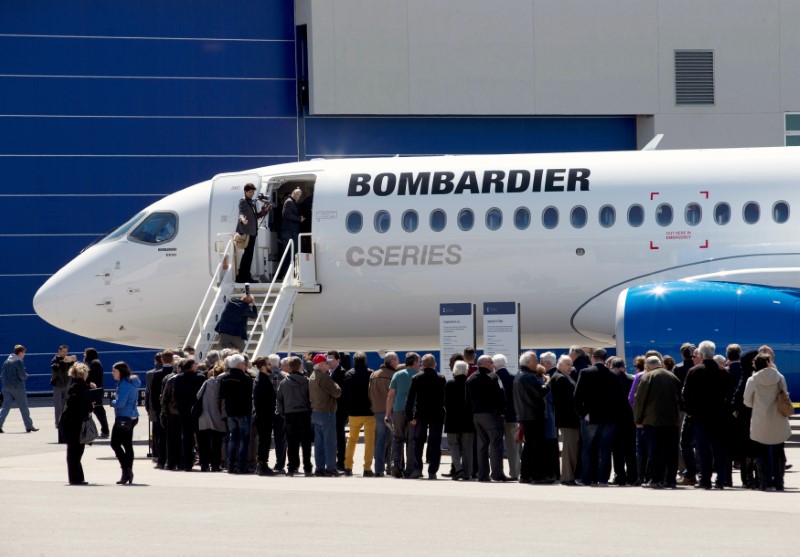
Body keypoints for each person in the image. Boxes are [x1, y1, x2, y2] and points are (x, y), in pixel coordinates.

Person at [681, 340, 732, 490]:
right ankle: (721, 480)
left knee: (703, 451)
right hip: (719, 418)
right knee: (719, 451)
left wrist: (690, 413)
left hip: (700, 418)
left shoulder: (694, 371)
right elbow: (730, 395)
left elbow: (686, 395)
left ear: (701, 354)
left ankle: (705, 480)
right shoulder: (723, 372)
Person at [573, 348, 622, 486]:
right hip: (608, 419)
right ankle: (603, 479)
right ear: (605, 359)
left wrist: (583, 413)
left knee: (588, 449)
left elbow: (577, 396)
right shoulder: (613, 375)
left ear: (593, 358)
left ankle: (588, 477)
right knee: (605, 450)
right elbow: (618, 399)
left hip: (590, 417)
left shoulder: (585, 372)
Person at [744, 353, 792, 491]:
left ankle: (763, 482)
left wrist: (758, 405)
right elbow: (785, 394)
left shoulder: (752, 380)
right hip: (778, 419)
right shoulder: (779, 377)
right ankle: (779, 482)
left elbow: (747, 401)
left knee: (760, 452)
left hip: (760, 420)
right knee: (779, 451)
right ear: (768, 363)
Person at [633, 355, 681, 489]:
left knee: (655, 451)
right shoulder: (672, 377)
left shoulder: (647, 377)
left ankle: (656, 479)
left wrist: (638, 419)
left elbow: (640, 400)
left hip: (653, 421)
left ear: (647, 366)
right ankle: (671, 480)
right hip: (672, 421)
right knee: (671, 452)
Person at [466, 354, 509, 482]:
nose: (493, 365)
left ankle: (482, 474)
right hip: (491, 415)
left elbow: (467, 400)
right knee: (496, 444)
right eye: (491, 362)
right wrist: (502, 411)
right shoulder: (493, 377)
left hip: (477, 416)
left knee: (482, 445)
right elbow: (501, 395)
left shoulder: (470, 379)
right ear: (484, 363)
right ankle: (497, 474)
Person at [405, 353, 446, 479]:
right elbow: (444, 399)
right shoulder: (441, 378)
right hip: (437, 415)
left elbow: (410, 399)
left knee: (418, 442)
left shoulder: (417, 378)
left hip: (421, 415)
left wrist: (410, 417)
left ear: (422, 365)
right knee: (435, 443)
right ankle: (432, 471)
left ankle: (418, 469)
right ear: (434, 364)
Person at [514, 351, 551, 483]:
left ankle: (526, 474)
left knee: (529, 447)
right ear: (528, 362)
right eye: (535, 361)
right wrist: (548, 383)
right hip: (533, 416)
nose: (537, 364)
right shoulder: (528, 377)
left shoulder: (519, 375)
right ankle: (536, 475)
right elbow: (540, 392)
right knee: (535, 447)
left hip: (526, 415)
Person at [276, 356, 313, 477]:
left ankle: (291, 468)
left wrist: (283, 414)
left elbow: (279, 401)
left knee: (292, 443)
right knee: (306, 443)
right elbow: (311, 398)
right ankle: (307, 468)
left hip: (289, 414)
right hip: (304, 414)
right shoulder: (306, 381)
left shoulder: (283, 383)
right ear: (300, 366)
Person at [387, 352, 421, 478]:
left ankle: (395, 464)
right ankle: (410, 469)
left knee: (398, 438)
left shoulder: (397, 374)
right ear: (415, 362)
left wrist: (387, 413)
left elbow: (390, 395)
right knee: (411, 440)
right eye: (419, 362)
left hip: (398, 409)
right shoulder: (418, 375)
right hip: (413, 411)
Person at [58, 362, 93, 485]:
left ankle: (76, 477)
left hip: (68, 422)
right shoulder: (82, 387)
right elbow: (86, 406)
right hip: (74, 423)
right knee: (76, 451)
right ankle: (76, 478)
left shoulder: (73, 385)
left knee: (73, 451)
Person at [220, 353, 255, 474]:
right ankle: (241, 465)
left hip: (230, 411)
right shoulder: (246, 378)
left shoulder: (224, 378)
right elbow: (250, 395)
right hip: (243, 411)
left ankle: (230, 465)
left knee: (232, 438)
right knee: (244, 440)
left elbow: (222, 395)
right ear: (240, 364)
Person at [343, 351, 376, 476]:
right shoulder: (371, 373)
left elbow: (344, 394)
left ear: (354, 361)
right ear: (365, 361)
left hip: (353, 413)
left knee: (351, 440)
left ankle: (348, 466)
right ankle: (367, 468)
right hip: (369, 412)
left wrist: (347, 409)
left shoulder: (348, 374)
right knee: (369, 441)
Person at [309, 353, 342, 476]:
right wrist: (334, 382)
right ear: (321, 365)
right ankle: (331, 468)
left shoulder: (312, 376)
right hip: (326, 412)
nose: (329, 364)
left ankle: (320, 468)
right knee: (330, 442)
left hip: (316, 412)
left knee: (319, 443)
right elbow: (337, 392)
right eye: (326, 363)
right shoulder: (324, 377)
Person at [550, 354, 581, 485]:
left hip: (568, 419)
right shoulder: (560, 378)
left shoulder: (564, 377)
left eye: (571, 364)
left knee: (572, 448)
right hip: (568, 419)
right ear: (560, 364)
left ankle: (569, 476)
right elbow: (567, 402)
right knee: (569, 449)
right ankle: (567, 477)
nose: (570, 367)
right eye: (567, 364)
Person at [172, 358, 206, 471]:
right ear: (191, 366)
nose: (197, 366)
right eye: (195, 364)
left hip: (184, 411)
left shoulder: (179, 378)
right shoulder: (200, 377)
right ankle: (204, 463)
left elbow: (175, 394)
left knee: (187, 438)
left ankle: (187, 463)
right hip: (198, 411)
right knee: (201, 437)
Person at [110, 361, 141, 485]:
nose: (113, 373)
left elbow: (121, 403)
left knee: (115, 443)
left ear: (121, 372)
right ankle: (128, 472)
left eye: (115, 371)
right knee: (127, 445)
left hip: (124, 417)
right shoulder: (132, 382)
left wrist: (112, 402)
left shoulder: (124, 384)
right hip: (133, 416)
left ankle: (126, 470)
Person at [445, 360, 474, 481]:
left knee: (454, 447)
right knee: (467, 448)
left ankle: (458, 469)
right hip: (467, 421)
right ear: (466, 371)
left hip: (452, 421)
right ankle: (467, 473)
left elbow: (445, 402)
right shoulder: (470, 384)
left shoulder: (449, 384)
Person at [610, 357, 637, 486]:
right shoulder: (632, 380)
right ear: (624, 368)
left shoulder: (610, 380)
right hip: (630, 419)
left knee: (617, 450)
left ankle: (620, 476)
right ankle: (632, 476)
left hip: (615, 420)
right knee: (630, 450)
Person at [369, 352, 397, 477]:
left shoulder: (374, 374)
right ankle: (391, 467)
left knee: (379, 441)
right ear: (392, 361)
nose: (397, 362)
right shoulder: (394, 375)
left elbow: (369, 394)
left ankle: (378, 469)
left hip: (377, 411)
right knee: (393, 440)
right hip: (390, 411)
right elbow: (393, 395)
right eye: (396, 360)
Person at [493, 354, 520, 480]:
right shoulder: (513, 378)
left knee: (495, 446)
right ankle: (515, 473)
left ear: (494, 366)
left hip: (496, 417)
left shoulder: (493, 378)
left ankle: (497, 472)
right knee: (513, 447)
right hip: (512, 416)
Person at [235, 183, 269, 283]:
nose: (252, 194)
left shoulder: (252, 203)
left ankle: (245, 276)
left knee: (249, 255)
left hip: (253, 232)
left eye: (253, 192)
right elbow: (241, 213)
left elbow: (256, 216)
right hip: (248, 232)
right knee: (247, 255)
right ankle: (242, 276)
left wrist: (264, 211)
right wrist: (242, 220)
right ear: (245, 192)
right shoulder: (243, 201)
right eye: (250, 192)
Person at [196, 360, 226, 472]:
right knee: (217, 443)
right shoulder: (221, 382)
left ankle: (204, 464)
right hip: (218, 416)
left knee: (204, 443)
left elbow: (198, 395)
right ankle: (215, 465)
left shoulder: (207, 382)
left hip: (204, 416)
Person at [0, 345, 37, 433]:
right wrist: (26, 376)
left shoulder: (7, 361)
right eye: (24, 353)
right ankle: (29, 426)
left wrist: (5, 385)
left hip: (6, 387)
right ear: (20, 352)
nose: (24, 355)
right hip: (18, 387)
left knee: (5, 407)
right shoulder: (18, 362)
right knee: (23, 407)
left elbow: (3, 375)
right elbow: (22, 375)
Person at [149, 350, 174, 469]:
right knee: (173, 436)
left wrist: (155, 409)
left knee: (161, 436)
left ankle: (161, 460)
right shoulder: (174, 373)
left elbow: (153, 393)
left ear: (162, 360)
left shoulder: (157, 374)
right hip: (173, 409)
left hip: (160, 409)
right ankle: (172, 460)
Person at [253, 356, 277, 476]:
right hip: (264, 415)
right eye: (268, 364)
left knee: (264, 440)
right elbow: (265, 400)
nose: (270, 366)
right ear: (262, 366)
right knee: (264, 440)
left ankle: (261, 463)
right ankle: (262, 464)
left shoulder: (260, 378)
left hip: (263, 414)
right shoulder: (262, 380)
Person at [328, 350, 349, 472]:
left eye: (331, 359)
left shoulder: (342, 373)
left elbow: (342, 394)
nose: (328, 362)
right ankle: (334, 460)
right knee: (332, 436)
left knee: (339, 436)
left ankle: (341, 461)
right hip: (329, 410)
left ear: (338, 360)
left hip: (339, 410)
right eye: (327, 359)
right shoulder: (328, 372)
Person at [84, 348, 109, 438]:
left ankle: (105, 430)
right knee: (97, 410)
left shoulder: (94, 364)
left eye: (85, 354)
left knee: (98, 410)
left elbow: (93, 378)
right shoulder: (94, 363)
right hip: (95, 390)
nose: (84, 355)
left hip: (94, 391)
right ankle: (103, 430)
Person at [50, 344, 74, 435]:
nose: (64, 353)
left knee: (66, 405)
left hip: (67, 385)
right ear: (59, 351)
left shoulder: (68, 359)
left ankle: (65, 421)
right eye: (63, 351)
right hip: (58, 385)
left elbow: (73, 369)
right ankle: (58, 422)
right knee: (58, 405)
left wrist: (73, 361)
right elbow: (55, 368)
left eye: (66, 351)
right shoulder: (55, 359)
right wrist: (62, 361)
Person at [144, 352, 163, 458]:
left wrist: (147, 406)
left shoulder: (150, 374)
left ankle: (155, 451)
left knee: (155, 430)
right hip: (163, 404)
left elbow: (148, 391)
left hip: (153, 404)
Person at [280, 188, 305, 256]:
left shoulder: (293, 202)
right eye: (297, 194)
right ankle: (287, 266)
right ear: (292, 193)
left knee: (293, 252)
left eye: (300, 195)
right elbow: (287, 214)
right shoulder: (289, 202)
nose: (298, 197)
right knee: (289, 253)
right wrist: (298, 219)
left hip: (292, 231)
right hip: (289, 232)